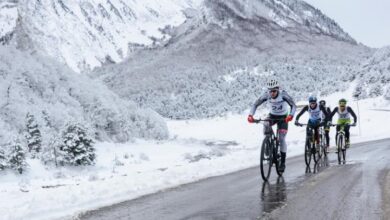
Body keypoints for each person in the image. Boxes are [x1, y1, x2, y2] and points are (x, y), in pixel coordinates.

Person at [247, 78, 297, 172]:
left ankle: (282, 163)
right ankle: (268, 144)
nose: (272, 93)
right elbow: (255, 104)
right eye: (270, 91)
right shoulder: (266, 95)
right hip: (272, 116)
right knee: (265, 124)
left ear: (278, 89)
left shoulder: (283, 94)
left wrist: (291, 115)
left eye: (274, 91)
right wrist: (250, 115)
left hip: (283, 118)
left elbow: (293, 105)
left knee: (281, 138)